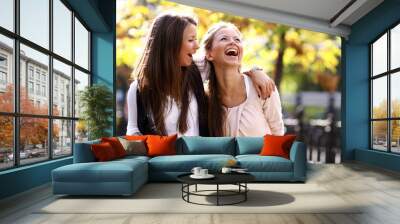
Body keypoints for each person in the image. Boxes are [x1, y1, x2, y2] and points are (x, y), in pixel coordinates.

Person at [126, 12, 275, 137]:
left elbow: (228, 67)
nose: (197, 46)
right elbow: (133, 130)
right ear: (171, 44)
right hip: (164, 164)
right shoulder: (139, 89)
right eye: (191, 40)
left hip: (201, 162)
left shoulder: (196, 69)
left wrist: (256, 71)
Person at [203, 22, 284, 137]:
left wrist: (255, 70)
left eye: (237, 40)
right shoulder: (204, 96)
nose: (232, 42)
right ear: (209, 54)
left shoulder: (262, 87)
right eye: (224, 38)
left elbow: (278, 134)